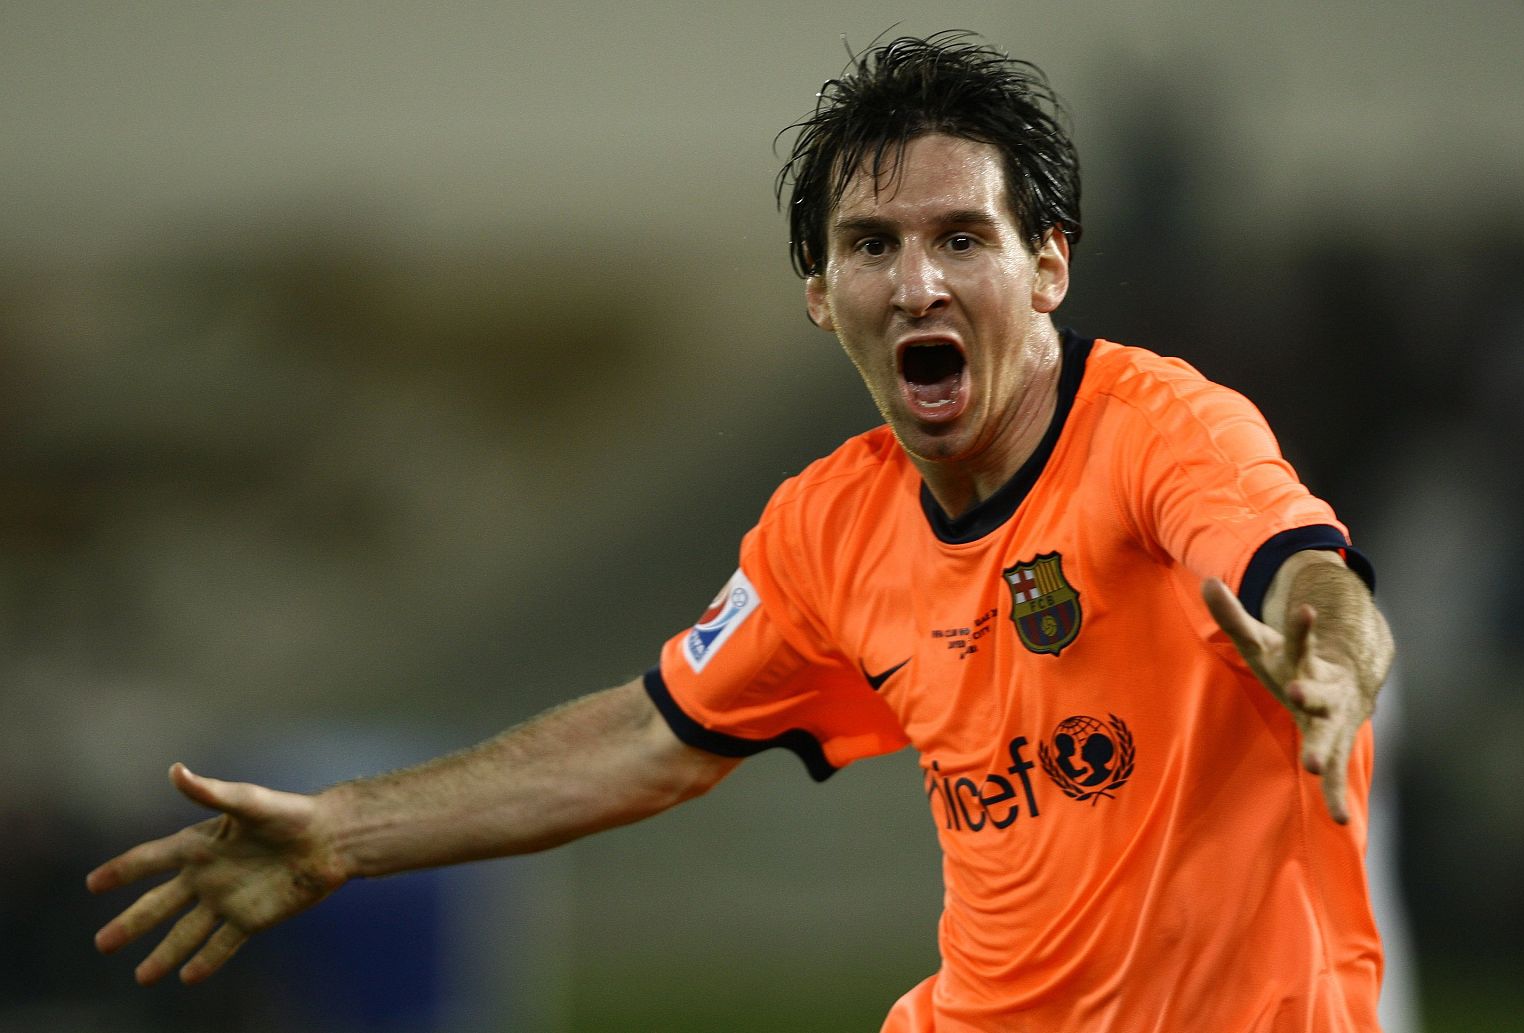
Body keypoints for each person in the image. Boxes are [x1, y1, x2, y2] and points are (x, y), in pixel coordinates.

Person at [88, 32, 1395, 1032]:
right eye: (872, 244)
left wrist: (1330, 661)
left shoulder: (1164, 429)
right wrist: (342, 832)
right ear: (822, 297)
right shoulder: (832, 525)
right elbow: (653, 736)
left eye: (962, 237)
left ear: (1048, 264)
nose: (919, 280)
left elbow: (1303, 575)